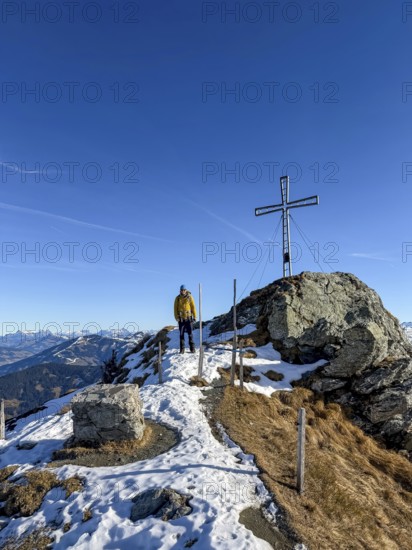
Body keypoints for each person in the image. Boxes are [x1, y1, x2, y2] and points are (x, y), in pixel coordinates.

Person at [174, 284, 197, 353]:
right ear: (180, 291)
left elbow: (193, 307)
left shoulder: (190, 297)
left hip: (189, 318)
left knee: (190, 333)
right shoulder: (177, 298)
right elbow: (175, 309)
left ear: (186, 290)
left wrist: (195, 316)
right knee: (181, 334)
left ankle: (192, 348)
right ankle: (182, 349)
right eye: (181, 290)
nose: (182, 291)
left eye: (184, 290)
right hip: (181, 319)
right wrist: (176, 317)